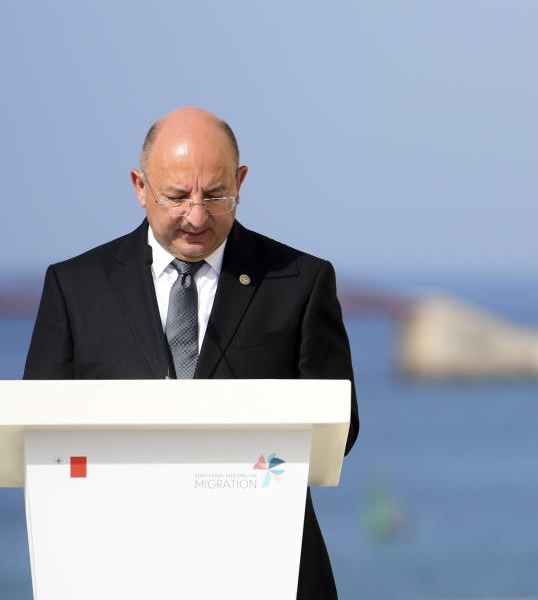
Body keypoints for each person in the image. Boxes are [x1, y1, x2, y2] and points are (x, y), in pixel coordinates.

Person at [23, 107, 359, 598]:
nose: (197, 216)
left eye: (217, 195)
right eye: (178, 196)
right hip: (118, 567)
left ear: (241, 182)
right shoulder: (75, 288)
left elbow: (341, 427)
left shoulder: (300, 282)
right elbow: (39, 432)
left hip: (269, 567)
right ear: (140, 187)